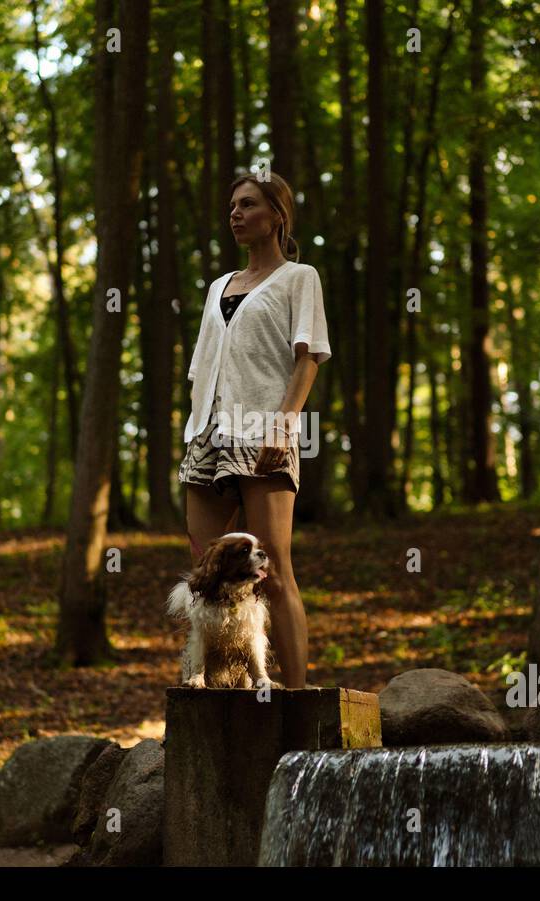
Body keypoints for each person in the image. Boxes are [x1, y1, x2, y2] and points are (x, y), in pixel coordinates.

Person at [177, 171, 331, 689]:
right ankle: (220, 689)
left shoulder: (299, 278)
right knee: (208, 575)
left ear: (277, 215)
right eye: (231, 206)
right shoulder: (218, 287)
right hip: (207, 433)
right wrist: (196, 430)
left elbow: (309, 358)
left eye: (247, 205)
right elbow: (201, 368)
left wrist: (283, 425)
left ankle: (296, 699)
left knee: (274, 572)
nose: (235, 215)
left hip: (262, 428)